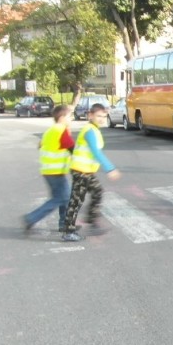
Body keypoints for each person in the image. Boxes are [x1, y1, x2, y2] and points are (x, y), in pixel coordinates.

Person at [62, 103, 121, 242]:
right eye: (98, 116)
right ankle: (69, 230)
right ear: (90, 115)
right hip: (80, 170)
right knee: (77, 200)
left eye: (104, 116)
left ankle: (89, 221)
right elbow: (95, 151)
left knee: (96, 192)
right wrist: (110, 168)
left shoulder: (94, 130)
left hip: (85, 170)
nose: (101, 119)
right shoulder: (89, 130)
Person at [23, 104, 75, 233]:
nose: (72, 119)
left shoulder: (50, 130)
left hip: (48, 170)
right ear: (62, 117)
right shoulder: (61, 130)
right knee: (61, 198)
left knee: (64, 197)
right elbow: (72, 148)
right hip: (56, 171)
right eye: (70, 116)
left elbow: (40, 145)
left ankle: (64, 223)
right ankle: (32, 218)